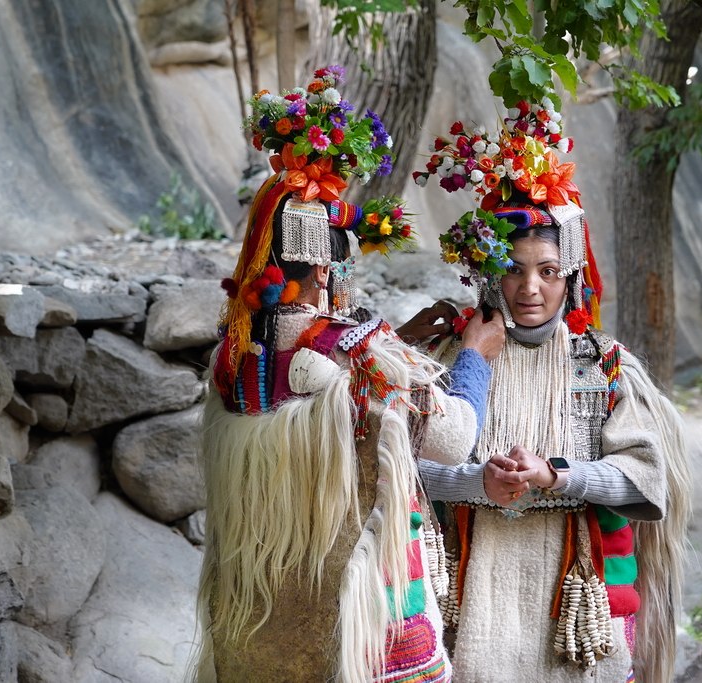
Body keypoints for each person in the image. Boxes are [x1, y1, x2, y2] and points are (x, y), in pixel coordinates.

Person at [192, 66, 506, 683]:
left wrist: (404, 340)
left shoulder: (233, 361)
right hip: (351, 632)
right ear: (329, 263)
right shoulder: (360, 354)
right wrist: (475, 356)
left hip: (261, 632)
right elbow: (455, 438)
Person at [412, 100, 693, 683]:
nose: (530, 288)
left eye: (548, 270)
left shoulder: (604, 364)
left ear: (572, 273)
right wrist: (477, 482)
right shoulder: (452, 358)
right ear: (491, 272)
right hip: (473, 595)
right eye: (514, 270)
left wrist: (554, 475)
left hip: (574, 599)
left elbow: (644, 478)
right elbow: (404, 468)